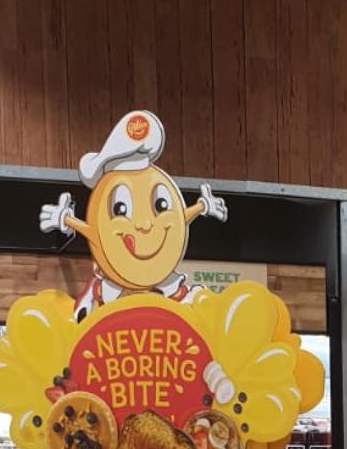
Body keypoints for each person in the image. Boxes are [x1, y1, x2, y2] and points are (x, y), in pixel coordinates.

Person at [38, 109, 228, 320]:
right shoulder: (99, 295)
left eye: (161, 204)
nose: (145, 224)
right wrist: (64, 219)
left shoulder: (183, 295)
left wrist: (202, 206)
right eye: (120, 209)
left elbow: (178, 220)